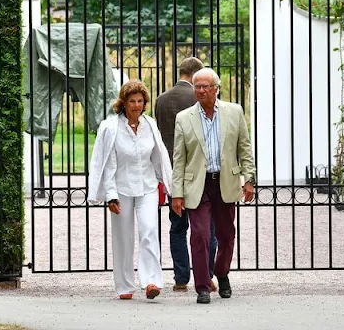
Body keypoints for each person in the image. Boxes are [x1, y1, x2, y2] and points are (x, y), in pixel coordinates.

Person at [171, 68, 256, 304]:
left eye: (205, 86)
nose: (200, 91)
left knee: (227, 235)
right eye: (197, 86)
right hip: (198, 184)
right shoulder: (184, 118)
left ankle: (222, 273)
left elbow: (244, 150)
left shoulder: (234, 112)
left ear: (216, 89)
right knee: (199, 235)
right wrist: (176, 193)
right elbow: (179, 160)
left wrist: (249, 179)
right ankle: (202, 286)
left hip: (225, 182)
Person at [88, 79, 172, 300]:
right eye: (132, 101)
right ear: (123, 102)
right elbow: (107, 165)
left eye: (140, 101)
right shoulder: (110, 127)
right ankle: (125, 286)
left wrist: (169, 186)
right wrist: (110, 195)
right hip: (121, 189)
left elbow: (159, 157)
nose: (136, 105)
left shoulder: (150, 125)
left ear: (145, 103)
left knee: (149, 231)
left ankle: (151, 280)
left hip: (147, 187)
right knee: (123, 238)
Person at [155, 57, 218, 292]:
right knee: (206, 228)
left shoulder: (161, 100)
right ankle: (207, 275)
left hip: (173, 172)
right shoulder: (200, 97)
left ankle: (181, 278)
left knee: (178, 227)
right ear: (196, 75)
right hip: (200, 171)